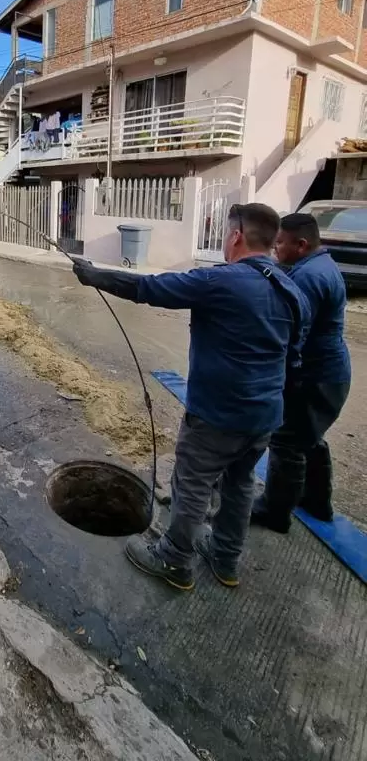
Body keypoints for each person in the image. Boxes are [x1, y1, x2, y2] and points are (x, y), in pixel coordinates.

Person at [73, 203, 309, 591]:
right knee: (239, 483)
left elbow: (150, 288)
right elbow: (295, 351)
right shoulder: (291, 288)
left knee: (193, 483)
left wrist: (94, 275)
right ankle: (225, 558)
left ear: (235, 236)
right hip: (265, 417)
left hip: (218, 417)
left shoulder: (222, 281)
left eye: (225, 235)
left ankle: (174, 559)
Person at [252, 213, 350, 531]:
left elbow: (293, 333)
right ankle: (317, 502)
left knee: (287, 441)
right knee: (310, 437)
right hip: (330, 373)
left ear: (301, 244)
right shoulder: (320, 266)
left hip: (315, 376)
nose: (275, 248)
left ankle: (275, 511)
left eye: (280, 242)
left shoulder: (308, 279)